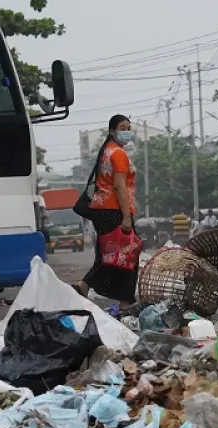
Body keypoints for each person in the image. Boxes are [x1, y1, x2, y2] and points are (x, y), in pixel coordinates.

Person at [74, 114, 139, 306]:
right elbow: (119, 186)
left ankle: (85, 286)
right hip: (114, 210)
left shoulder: (107, 151)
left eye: (129, 128)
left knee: (109, 253)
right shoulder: (118, 154)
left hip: (101, 209)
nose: (127, 132)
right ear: (112, 131)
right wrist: (126, 216)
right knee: (128, 253)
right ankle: (124, 300)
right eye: (122, 128)